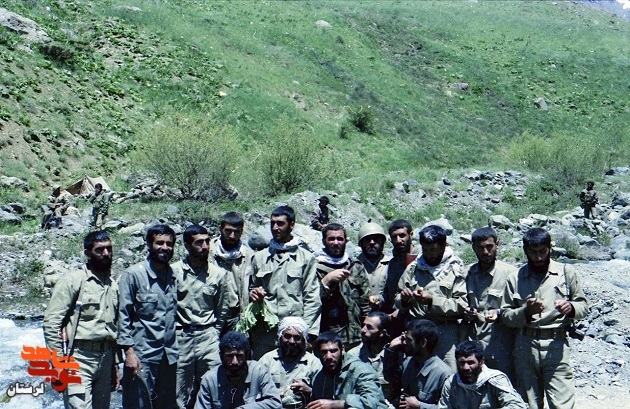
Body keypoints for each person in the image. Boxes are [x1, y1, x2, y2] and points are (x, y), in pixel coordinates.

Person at [501, 228, 589, 409]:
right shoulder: (515, 278)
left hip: (556, 345)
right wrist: (525, 311)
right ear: (525, 250)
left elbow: (583, 306)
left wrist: (571, 308)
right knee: (529, 403)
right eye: (533, 252)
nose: (538, 257)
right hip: (525, 346)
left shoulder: (566, 273)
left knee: (562, 402)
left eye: (543, 251)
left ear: (550, 247)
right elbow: (506, 316)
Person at [43, 230, 119, 409]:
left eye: (109, 249)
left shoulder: (112, 285)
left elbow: (113, 327)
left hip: (105, 358)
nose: (106, 254)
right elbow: (51, 323)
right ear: (87, 253)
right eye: (100, 250)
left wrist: (115, 364)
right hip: (78, 359)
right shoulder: (73, 281)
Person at [118, 224, 178, 409]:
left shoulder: (173, 275)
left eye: (169, 244)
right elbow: (123, 316)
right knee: (138, 405)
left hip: (169, 355)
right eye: (159, 243)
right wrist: (129, 353)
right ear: (149, 245)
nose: (165, 248)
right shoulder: (133, 275)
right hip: (142, 355)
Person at [173, 225, 233, 408]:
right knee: (178, 390)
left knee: (215, 386)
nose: (205, 246)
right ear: (187, 245)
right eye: (199, 243)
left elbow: (222, 309)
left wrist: (214, 333)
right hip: (181, 337)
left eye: (207, 241)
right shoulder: (173, 272)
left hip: (208, 338)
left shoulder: (218, 274)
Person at [249, 206, 321, 358]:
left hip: (294, 335)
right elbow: (251, 288)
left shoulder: (305, 258)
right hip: (265, 335)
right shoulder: (259, 258)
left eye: (280, 223)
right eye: (272, 223)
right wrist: (254, 294)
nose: (275, 228)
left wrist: (305, 332)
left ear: (292, 225)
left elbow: (312, 298)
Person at [395, 225, 467, 370]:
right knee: (415, 371)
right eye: (425, 250)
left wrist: (432, 301)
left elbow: (461, 304)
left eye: (433, 250)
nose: (429, 254)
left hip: (444, 332)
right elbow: (397, 297)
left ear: (443, 246)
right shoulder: (413, 268)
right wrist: (404, 299)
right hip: (417, 332)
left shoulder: (455, 269)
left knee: (447, 373)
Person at [465, 227, 517, 382]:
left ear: (497, 244)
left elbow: (519, 310)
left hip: (501, 347)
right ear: (473, 247)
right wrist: (467, 312)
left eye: (489, 246)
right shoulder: (468, 273)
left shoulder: (511, 274)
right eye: (480, 248)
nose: (485, 252)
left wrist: (499, 313)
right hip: (474, 347)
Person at [314, 223, 370, 350]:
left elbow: (365, 302)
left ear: (346, 241)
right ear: (324, 241)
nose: (336, 243)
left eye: (340, 239)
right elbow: (310, 302)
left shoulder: (355, 266)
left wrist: (367, 328)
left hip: (355, 336)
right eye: (331, 239)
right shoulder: (314, 267)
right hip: (328, 339)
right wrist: (326, 281)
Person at [194, 331, 282, 409]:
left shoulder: (259, 371)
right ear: (221, 356)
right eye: (229, 356)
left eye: (239, 356)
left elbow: (275, 403)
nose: (234, 362)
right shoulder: (210, 380)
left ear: (247, 356)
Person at [384, 319, 452, 409]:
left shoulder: (443, 374)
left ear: (423, 343)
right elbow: (390, 378)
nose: (404, 342)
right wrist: (391, 349)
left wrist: (420, 406)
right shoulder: (407, 363)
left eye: (409, 340)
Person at [309, 331, 388, 409]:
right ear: (318, 353)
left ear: (342, 350)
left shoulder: (362, 370)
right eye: (324, 352)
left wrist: (334, 404)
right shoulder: (320, 376)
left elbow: (370, 402)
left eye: (333, 351)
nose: (329, 356)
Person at [438, 341, 527, 409]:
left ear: (481, 362)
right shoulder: (451, 383)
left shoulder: (495, 379)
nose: (466, 368)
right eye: (462, 363)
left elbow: (517, 406)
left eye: (470, 362)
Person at [258, 317, 322, 409]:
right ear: (280, 337)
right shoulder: (267, 360)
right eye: (287, 336)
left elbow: (324, 397)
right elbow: (253, 391)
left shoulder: (313, 363)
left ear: (303, 340)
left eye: (297, 338)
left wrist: (309, 390)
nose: (292, 341)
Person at [209, 212, 254, 326]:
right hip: (212, 316)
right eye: (228, 231)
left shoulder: (249, 256)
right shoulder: (208, 253)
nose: (232, 236)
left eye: (236, 232)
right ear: (220, 229)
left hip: (237, 317)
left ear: (242, 232)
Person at [346, 312, 397, 407]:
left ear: (382, 333)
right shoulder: (353, 355)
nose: (363, 330)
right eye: (363, 325)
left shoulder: (394, 355)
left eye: (369, 327)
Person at [356, 222, 392, 311]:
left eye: (376, 239)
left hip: (385, 314)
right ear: (361, 244)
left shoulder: (392, 265)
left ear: (382, 242)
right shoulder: (353, 266)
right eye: (367, 240)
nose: (372, 242)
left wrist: (379, 299)